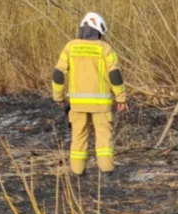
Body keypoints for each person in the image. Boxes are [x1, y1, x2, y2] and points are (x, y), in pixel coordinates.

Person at [51, 12, 127, 175]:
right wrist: (121, 97)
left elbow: (58, 73)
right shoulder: (105, 49)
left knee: (78, 137)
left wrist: (58, 96)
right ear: (98, 31)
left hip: (78, 104)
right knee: (104, 138)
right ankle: (107, 172)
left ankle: (78, 173)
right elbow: (115, 75)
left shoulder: (70, 47)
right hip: (102, 104)